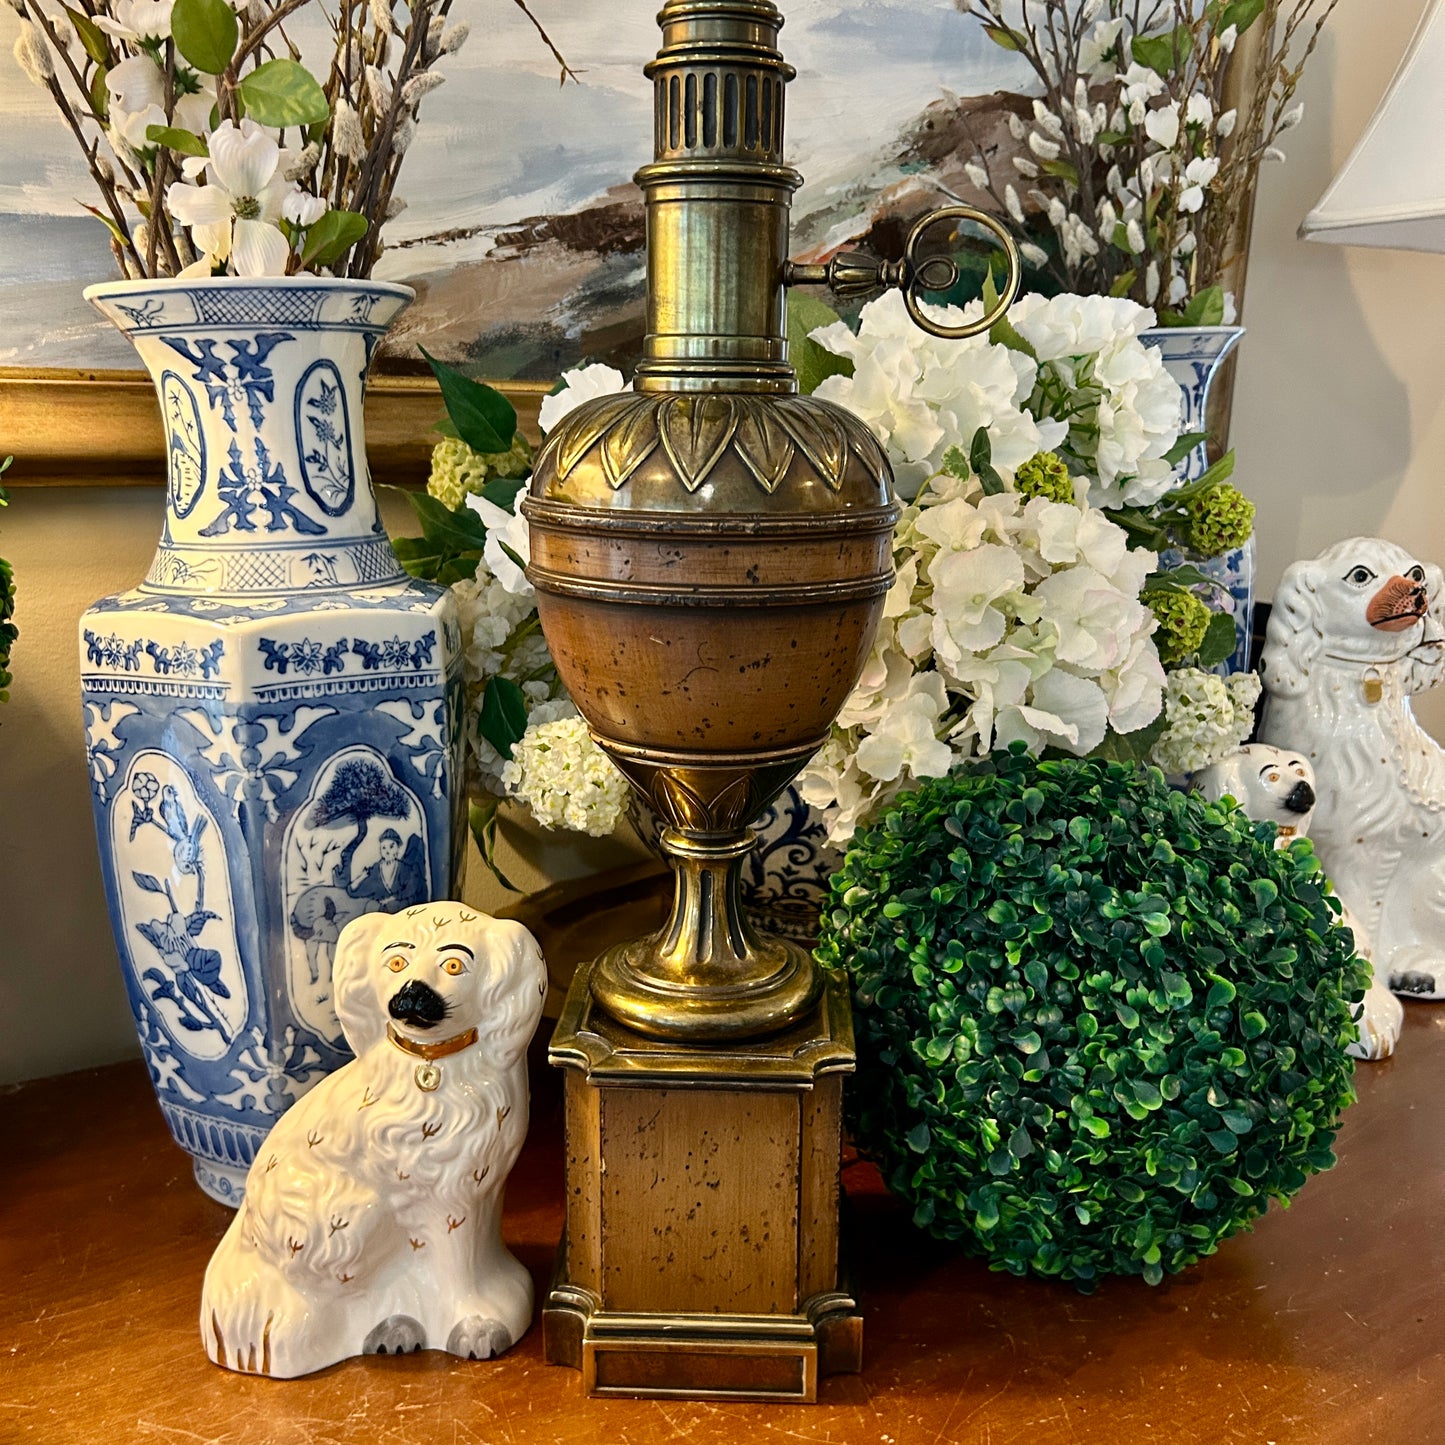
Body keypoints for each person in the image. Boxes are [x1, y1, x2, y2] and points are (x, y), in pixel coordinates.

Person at [346, 829, 426, 911]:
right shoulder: (375, 870)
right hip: (381, 913)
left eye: (391, 847)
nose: (387, 852)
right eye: (383, 848)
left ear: (398, 847)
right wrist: (362, 877)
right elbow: (352, 891)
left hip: (401, 911)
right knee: (370, 906)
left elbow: (412, 888)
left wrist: (392, 898)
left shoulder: (405, 869)